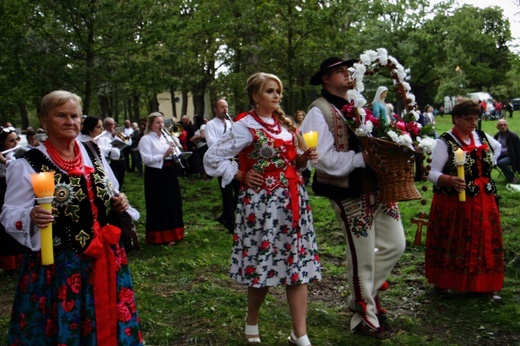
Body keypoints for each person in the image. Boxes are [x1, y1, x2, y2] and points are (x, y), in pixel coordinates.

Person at [0, 90, 143, 344]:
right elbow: (9, 214)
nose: (70, 121)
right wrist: (30, 215)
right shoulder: (27, 163)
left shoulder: (93, 152)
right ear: (44, 121)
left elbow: (111, 190)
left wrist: (120, 202)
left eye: (75, 116)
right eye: (61, 115)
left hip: (106, 254)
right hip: (59, 265)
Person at [204, 72, 321, 346]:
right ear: (256, 96)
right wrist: (239, 174)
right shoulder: (244, 125)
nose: (277, 96)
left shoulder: (285, 124)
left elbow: (295, 163)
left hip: (292, 202)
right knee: (262, 266)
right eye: (270, 91)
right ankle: (252, 320)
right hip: (261, 206)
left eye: (278, 91)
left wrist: (303, 158)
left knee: (297, 264)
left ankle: (299, 333)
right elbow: (212, 158)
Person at [301, 57, 406, 338]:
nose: (347, 75)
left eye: (348, 71)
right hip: (348, 190)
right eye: (340, 72)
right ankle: (365, 313)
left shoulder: (359, 102)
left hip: (380, 187)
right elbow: (320, 160)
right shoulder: (318, 111)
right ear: (325, 78)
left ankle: (360, 295)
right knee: (362, 256)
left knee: (396, 244)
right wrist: (361, 158)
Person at [426, 99, 504, 297]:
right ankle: (447, 280)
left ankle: (484, 284)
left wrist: (487, 166)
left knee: (485, 240)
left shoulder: (481, 137)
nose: (473, 123)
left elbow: (496, 148)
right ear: (456, 119)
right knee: (457, 239)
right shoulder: (444, 142)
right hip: (455, 202)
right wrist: (449, 179)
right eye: (468, 119)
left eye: (476, 119)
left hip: (483, 198)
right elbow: (431, 172)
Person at [138, 112, 185, 245]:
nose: (161, 125)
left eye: (162, 122)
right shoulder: (146, 139)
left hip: (169, 172)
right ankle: (161, 236)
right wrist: (163, 156)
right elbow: (146, 160)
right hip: (156, 175)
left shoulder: (166, 137)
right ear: (151, 124)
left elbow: (177, 151)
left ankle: (176, 232)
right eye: (158, 122)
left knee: (173, 201)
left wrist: (176, 149)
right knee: (161, 203)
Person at [205, 98, 240, 234]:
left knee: (238, 190)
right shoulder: (210, 125)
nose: (225, 110)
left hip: (235, 160)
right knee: (226, 192)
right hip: (222, 162)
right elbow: (212, 143)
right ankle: (231, 222)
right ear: (215, 109)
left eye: (226, 107)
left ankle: (226, 216)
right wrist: (228, 137)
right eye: (222, 107)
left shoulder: (231, 123)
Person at [0, 127, 25, 275]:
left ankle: (21, 259)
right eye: (11, 141)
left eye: (17, 139)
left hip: (19, 191)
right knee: (5, 227)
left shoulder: (21, 154)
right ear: (3, 143)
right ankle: (9, 263)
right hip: (3, 193)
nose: (15, 143)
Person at [102, 117, 127, 190]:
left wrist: (117, 135)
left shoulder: (118, 133)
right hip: (111, 161)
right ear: (104, 125)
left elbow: (129, 141)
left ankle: (119, 191)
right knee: (114, 179)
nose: (110, 126)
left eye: (112, 124)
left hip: (121, 159)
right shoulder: (103, 135)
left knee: (121, 178)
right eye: (108, 124)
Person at [493, 118, 520, 183]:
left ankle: (512, 178)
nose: (503, 127)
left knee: (501, 163)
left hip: (511, 156)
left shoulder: (513, 136)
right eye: (501, 125)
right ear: (497, 127)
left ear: (507, 126)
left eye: (504, 125)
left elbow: (518, 150)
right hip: (499, 155)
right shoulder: (496, 136)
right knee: (488, 162)